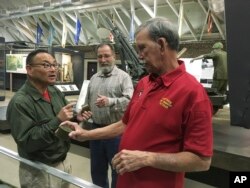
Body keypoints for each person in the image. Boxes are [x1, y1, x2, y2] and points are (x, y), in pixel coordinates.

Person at [63, 17, 213, 188]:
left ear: (162, 45)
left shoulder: (192, 93)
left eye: (142, 48)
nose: (140, 56)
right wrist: (86, 134)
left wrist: (146, 158)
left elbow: (201, 160)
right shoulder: (144, 83)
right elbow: (125, 124)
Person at [6, 49, 85, 188]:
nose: (53, 69)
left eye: (55, 65)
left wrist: (76, 118)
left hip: (63, 162)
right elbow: (27, 142)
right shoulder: (20, 102)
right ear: (29, 70)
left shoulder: (54, 92)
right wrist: (57, 120)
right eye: (46, 65)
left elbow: (65, 125)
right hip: (38, 170)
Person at [82, 42, 134, 188]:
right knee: (97, 171)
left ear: (114, 56)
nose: (103, 60)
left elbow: (130, 101)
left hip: (116, 134)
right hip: (96, 131)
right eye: (100, 56)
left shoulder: (123, 77)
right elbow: (88, 103)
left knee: (118, 171)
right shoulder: (94, 78)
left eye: (106, 56)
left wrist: (110, 101)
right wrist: (85, 112)